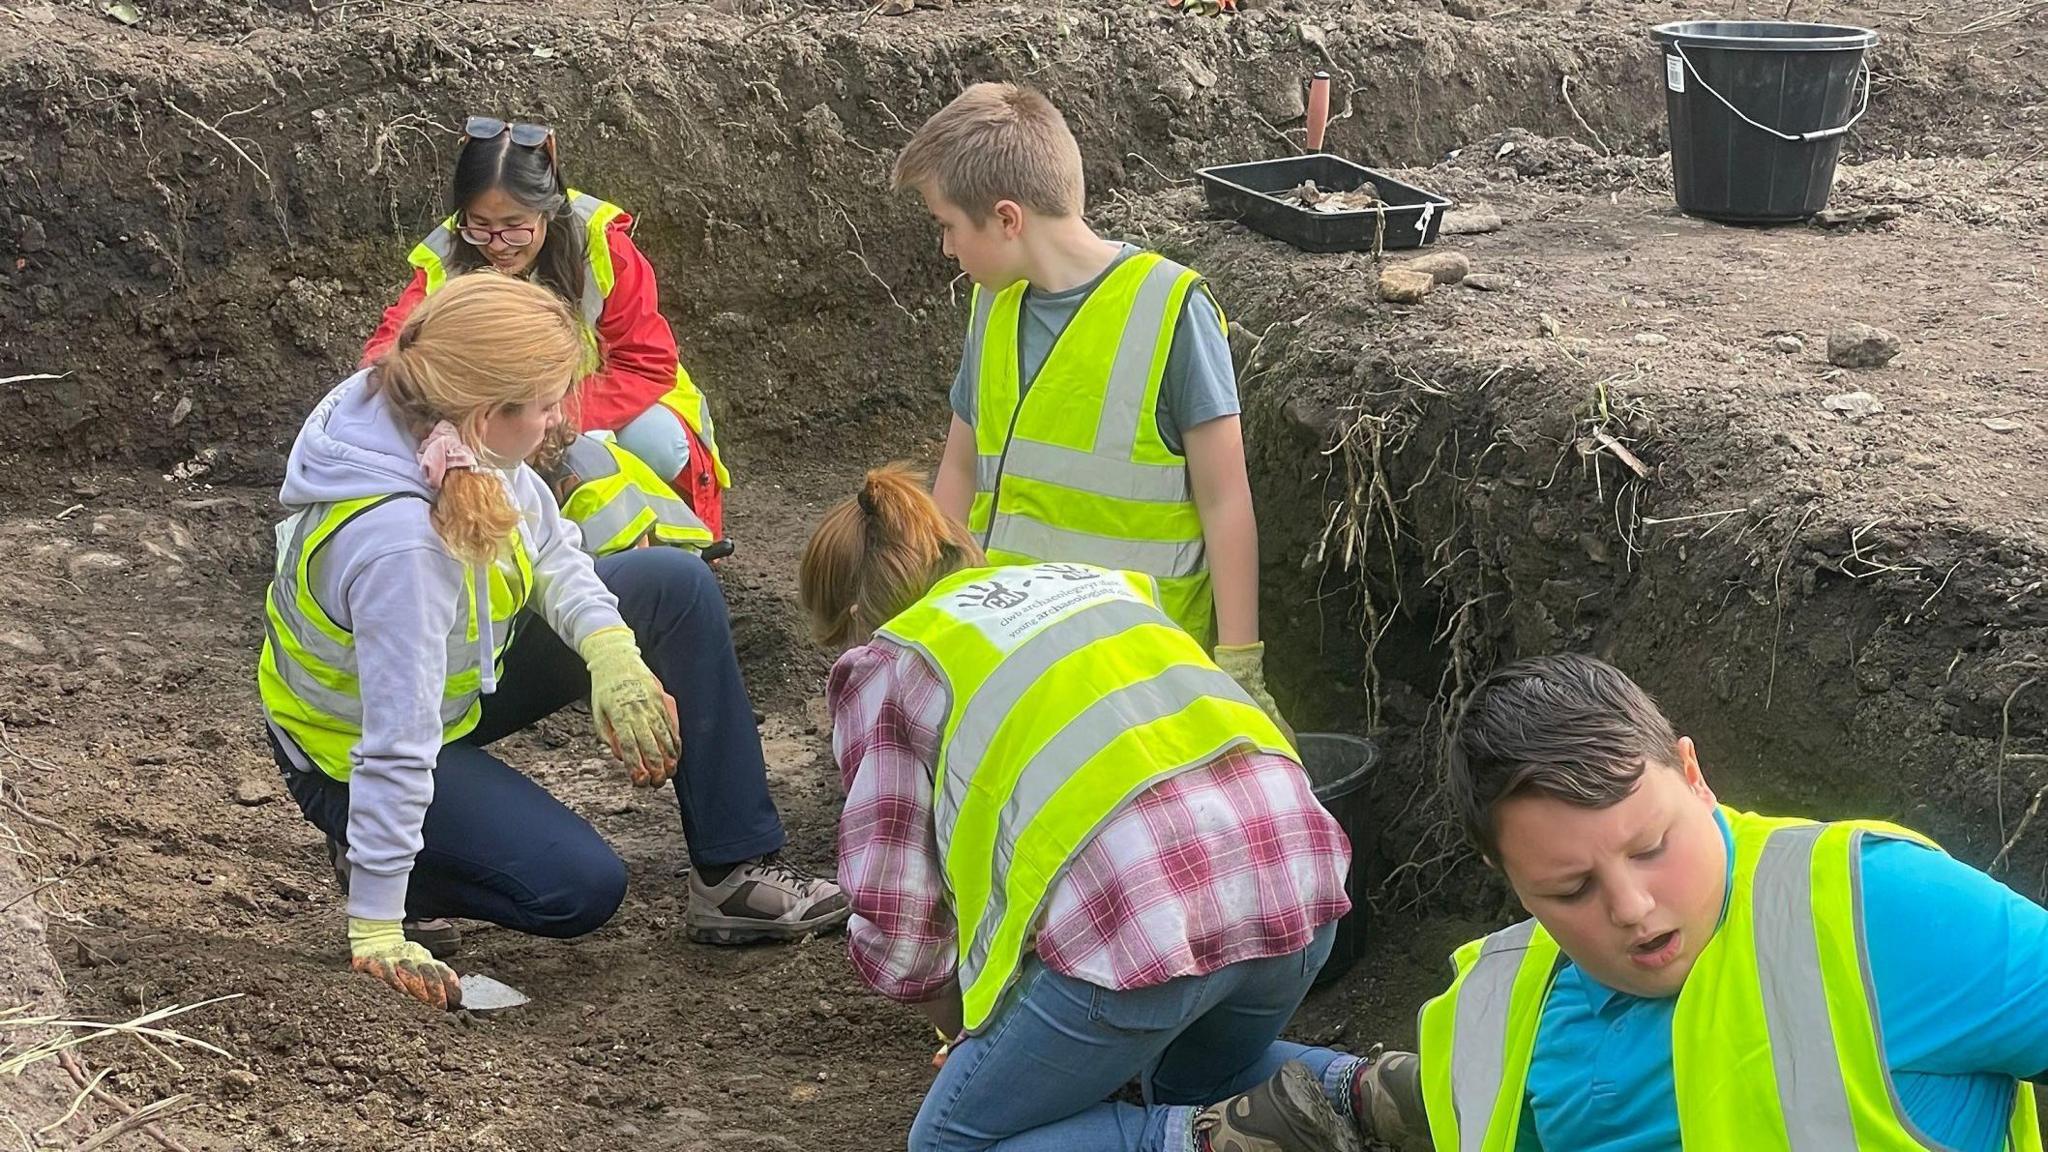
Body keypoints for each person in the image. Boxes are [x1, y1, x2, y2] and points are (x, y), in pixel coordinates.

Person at [261, 274, 845, 1010]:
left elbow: (553, 553)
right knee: (579, 889)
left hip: (452, 684)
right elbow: (396, 743)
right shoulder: (400, 550)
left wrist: (613, 654)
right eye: (544, 405)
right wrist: (377, 924)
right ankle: (380, 863)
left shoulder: (451, 430)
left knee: (673, 585)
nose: (558, 423)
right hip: (351, 750)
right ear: (484, 412)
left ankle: (734, 874)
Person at [797, 465, 1359, 1152]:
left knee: (951, 1141)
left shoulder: (889, 666)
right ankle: (1367, 1092)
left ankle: (1207, 1143)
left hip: (1142, 915)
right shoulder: (1087, 583)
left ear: (853, 620)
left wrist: (969, 1036)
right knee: (1204, 1079)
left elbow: (898, 923)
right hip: (1298, 882)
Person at [1338, 654, 2048, 1152]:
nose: (1633, 906)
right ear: (1506, 873)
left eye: (1651, 846)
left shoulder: (1879, 911)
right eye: (1571, 888)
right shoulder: (1497, 1003)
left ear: (1693, 775)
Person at [891, 83, 1287, 736]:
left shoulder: (1169, 311)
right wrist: (931, 612)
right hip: (1008, 655)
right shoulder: (993, 309)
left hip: (1139, 674)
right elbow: (959, 473)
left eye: (948, 226)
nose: (947, 250)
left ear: (1007, 218)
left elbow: (1226, 501)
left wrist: (1238, 663)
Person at [363, 116, 732, 540]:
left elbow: (646, 363)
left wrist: (554, 417)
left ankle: (647, 535)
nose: (497, 244)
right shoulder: (447, 254)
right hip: (504, 412)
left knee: (654, 445)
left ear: (548, 207)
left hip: (602, 399)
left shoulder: (600, 245)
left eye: (515, 227)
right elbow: (390, 346)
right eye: (479, 225)